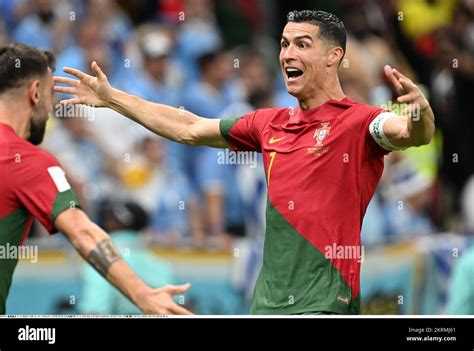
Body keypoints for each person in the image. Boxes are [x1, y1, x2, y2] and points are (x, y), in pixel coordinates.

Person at [54, 10, 435, 315]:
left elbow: (410, 133)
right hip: (266, 307)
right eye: (284, 44)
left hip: (323, 307)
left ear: (334, 56)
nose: (288, 54)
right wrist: (113, 98)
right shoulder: (268, 123)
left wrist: (419, 112)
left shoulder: (360, 121)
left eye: (303, 44)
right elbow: (188, 127)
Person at [0, 43, 191, 315]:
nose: (51, 107)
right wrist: (143, 294)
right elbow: (83, 233)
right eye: (51, 95)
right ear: (35, 93)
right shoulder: (26, 161)